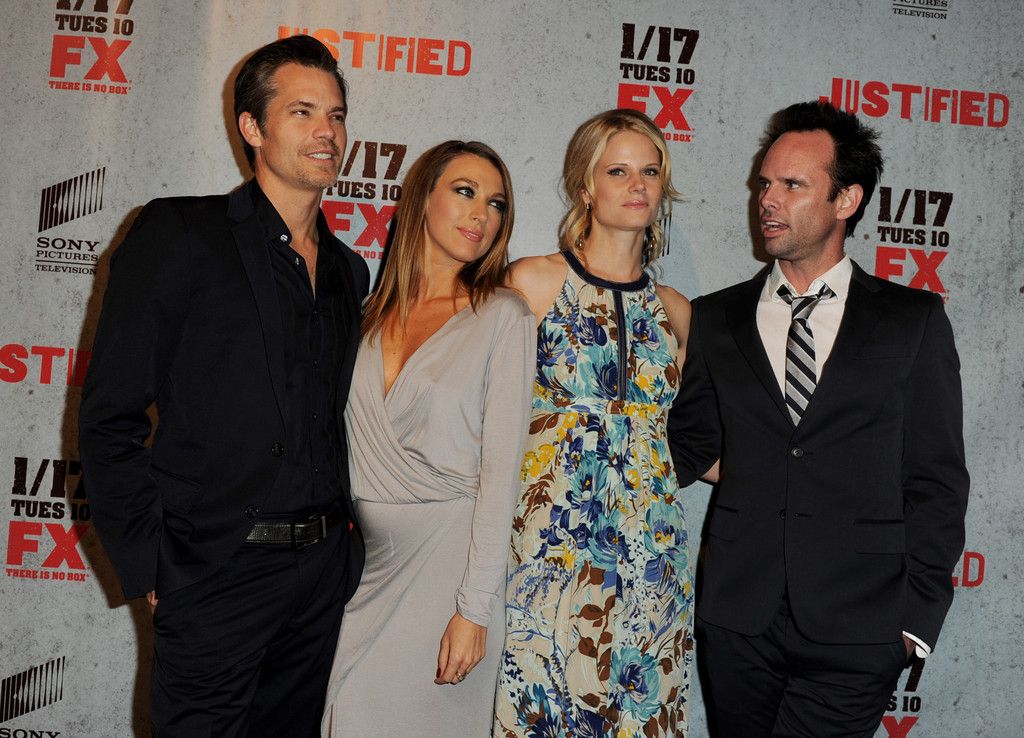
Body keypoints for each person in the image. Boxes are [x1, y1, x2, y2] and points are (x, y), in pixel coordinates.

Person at [78, 36, 369, 737]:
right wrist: (155, 564)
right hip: (215, 572)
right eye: (302, 112)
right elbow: (109, 414)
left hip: (320, 577)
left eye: (336, 114)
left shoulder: (348, 271)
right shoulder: (180, 233)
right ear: (251, 127)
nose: (327, 132)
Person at [668, 100, 970, 737]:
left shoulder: (911, 322)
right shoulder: (717, 319)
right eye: (764, 184)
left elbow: (937, 480)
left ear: (846, 200)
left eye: (792, 185)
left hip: (861, 627)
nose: (768, 201)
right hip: (738, 621)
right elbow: (689, 444)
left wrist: (914, 622)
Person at [321, 140, 534, 736]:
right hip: (370, 571)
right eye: (465, 192)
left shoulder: (504, 316)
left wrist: (473, 608)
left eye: (496, 204)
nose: (481, 214)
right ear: (421, 199)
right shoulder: (365, 313)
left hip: (452, 571)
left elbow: (502, 478)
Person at [494, 109, 694, 738]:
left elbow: (693, 441)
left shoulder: (677, 312)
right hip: (550, 548)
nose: (637, 185)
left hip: (652, 555)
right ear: (586, 186)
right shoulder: (533, 283)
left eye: (650, 172)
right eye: (618, 171)